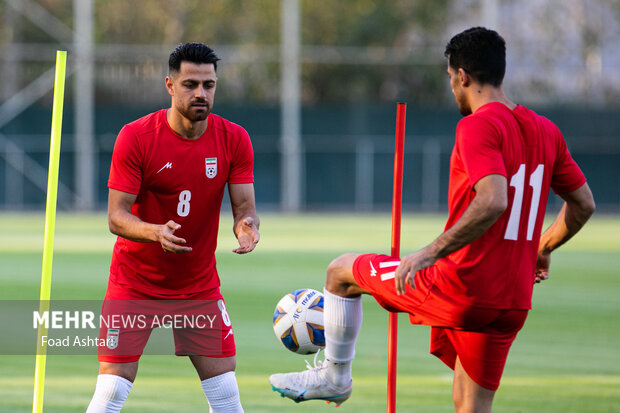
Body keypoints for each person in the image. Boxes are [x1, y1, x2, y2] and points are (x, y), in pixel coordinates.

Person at [269, 27, 595, 412]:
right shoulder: (546, 130)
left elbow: (493, 200)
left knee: (341, 272)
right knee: (470, 405)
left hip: (461, 287)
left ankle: (335, 378)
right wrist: (541, 247)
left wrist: (427, 253)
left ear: (462, 76)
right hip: (511, 302)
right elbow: (583, 205)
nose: (453, 90)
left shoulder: (478, 124)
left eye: (450, 80)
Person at [86, 42, 259, 413]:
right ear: (170, 85)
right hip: (135, 283)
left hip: (197, 285)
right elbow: (116, 216)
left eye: (209, 85)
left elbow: (245, 208)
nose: (201, 93)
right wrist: (154, 232)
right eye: (190, 84)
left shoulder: (234, 138)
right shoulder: (136, 137)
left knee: (227, 395)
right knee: (111, 393)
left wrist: (247, 228)